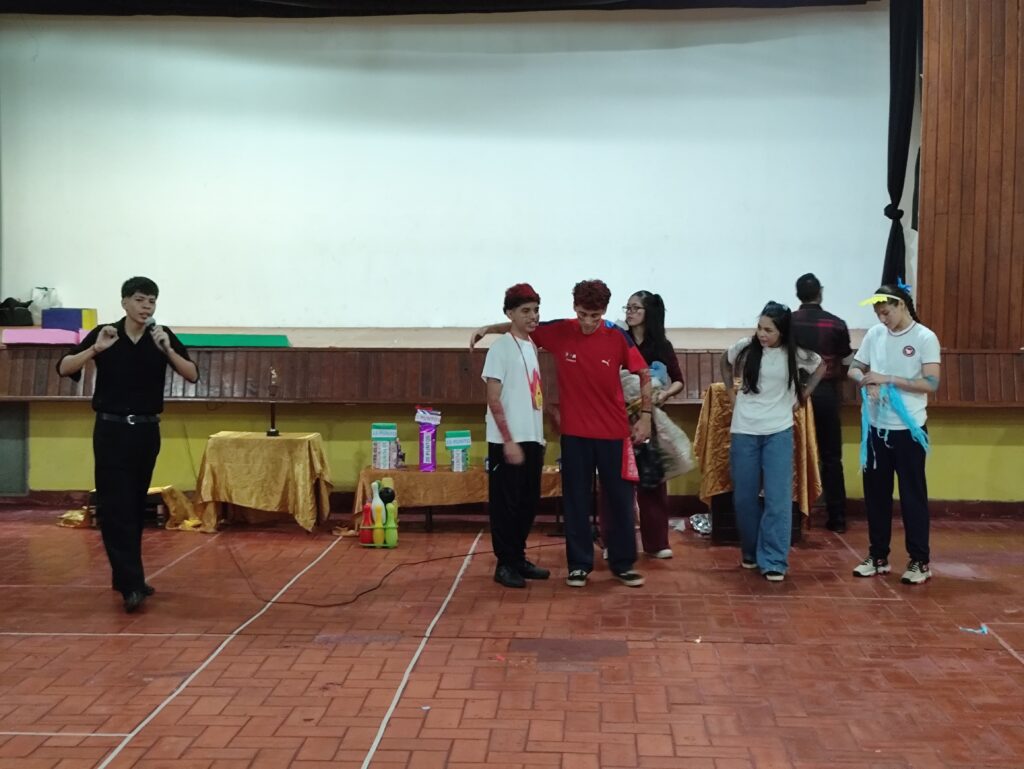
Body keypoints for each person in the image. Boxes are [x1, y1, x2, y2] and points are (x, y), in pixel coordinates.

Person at [472, 279, 652, 589]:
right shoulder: (559, 331)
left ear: (604, 312)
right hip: (575, 435)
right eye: (582, 314)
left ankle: (623, 564)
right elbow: (521, 324)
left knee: (620, 501)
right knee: (575, 501)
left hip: (614, 433)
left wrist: (646, 416)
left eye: (595, 316)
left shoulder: (617, 335)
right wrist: (488, 328)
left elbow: (644, 373)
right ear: (574, 309)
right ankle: (579, 565)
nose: (588, 322)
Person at [57, 277, 198, 612]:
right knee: (114, 505)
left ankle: (126, 577)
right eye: (139, 299)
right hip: (111, 430)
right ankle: (131, 585)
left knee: (134, 505)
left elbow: (192, 374)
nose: (146, 306)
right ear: (124, 302)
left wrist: (167, 349)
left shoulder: (160, 335)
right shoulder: (106, 334)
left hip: (146, 432)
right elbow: (64, 367)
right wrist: (95, 349)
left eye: (152, 301)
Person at [720, 301, 824, 582]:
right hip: (744, 430)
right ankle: (751, 551)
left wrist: (803, 396)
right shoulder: (745, 347)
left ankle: (775, 560)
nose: (762, 334)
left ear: (783, 331)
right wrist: (730, 393)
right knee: (744, 498)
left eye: (769, 330)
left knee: (778, 499)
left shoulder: (795, 353)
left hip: (778, 431)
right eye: (760, 328)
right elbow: (724, 362)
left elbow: (820, 366)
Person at [849, 281, 940, 585]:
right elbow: (855, 367)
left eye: (886, 312)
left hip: (909, 429)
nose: (882, 318)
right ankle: (877, 556)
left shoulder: (924, 337)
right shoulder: (875, 334)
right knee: (876, 495)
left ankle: (919, 561)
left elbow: (931, 383)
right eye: (878, 314)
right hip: (877, 427)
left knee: (912, 495)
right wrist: (867, 381)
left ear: (901, 305)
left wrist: (887, 378)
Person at [482, 283, 550, 589]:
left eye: (536, 310)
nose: (533, 316)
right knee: (505, 505)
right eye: (525, 311)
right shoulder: (500, 349)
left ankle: (518, 557)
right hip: (506, 441)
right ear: (510, 313)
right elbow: (493, 398)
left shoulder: (531, 346)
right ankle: (505, 564)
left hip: (531, 437)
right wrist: (508, 439)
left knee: (527, 502)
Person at [622, 291, 684, 558]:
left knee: (652, 480)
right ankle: (616, 542)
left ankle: (657, 543)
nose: (630, 312)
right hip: (621, 417)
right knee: (618, 482)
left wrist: (664, 394)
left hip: (651, 418)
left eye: (636, 308)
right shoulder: (619, 339)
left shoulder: (661, 345)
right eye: (628, 307)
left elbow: (678, 380)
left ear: (649, 313)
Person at [791, 273, 853, 533]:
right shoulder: (836, 324)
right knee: (831, 457)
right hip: (826, 393)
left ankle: (793, 517)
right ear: (821, 292)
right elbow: (847, 362)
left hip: (793, 394)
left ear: (798, 294)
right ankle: (837, 518)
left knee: (792, 454)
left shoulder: (788, 322)